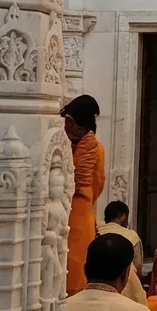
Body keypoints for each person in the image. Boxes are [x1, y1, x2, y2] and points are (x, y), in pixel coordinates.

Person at [61, 95, 105, 296]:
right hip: (66, 214)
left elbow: (96, 184)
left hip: (76, 217)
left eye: (68, 123)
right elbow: (98, 185)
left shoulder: (93, 150)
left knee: (75, 269)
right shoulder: (63, 147)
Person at [101, 201, 157, 311]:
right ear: (123, 216)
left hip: (96, 297)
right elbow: (138, 269)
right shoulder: (131, 236)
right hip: (126, 297)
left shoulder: (95, 231)